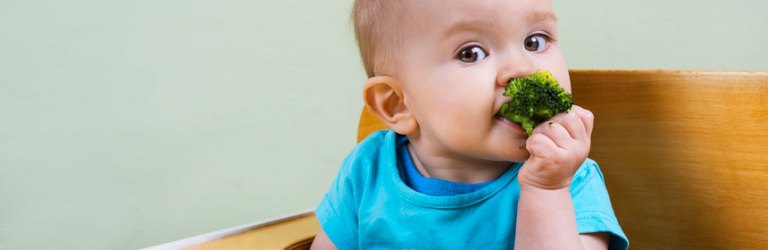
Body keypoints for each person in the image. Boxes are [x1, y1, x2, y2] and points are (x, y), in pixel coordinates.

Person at [311, 0, 628, 249]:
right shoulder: (367, 171)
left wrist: (546, 191)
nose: (523, 68)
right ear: (398, 103)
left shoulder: (570, 181)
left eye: (534, 41)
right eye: (471, 53)